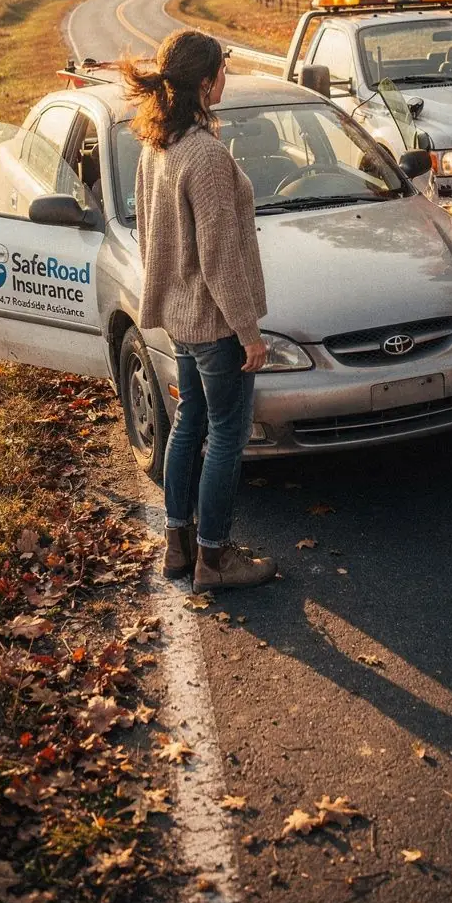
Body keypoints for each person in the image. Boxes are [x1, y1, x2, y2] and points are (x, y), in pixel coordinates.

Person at [123, 29, 276, 593]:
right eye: (222, 72)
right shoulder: (206, 156)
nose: (225, 80)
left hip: (182, 319)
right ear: (207, 82)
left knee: (189, 423)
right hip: (214, 324)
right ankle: (214, 558)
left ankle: (178, 546)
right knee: (228, 435)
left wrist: (172, 298)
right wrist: (248, 332)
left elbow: (149, 237)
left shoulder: (157, 146)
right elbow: (219, 258)